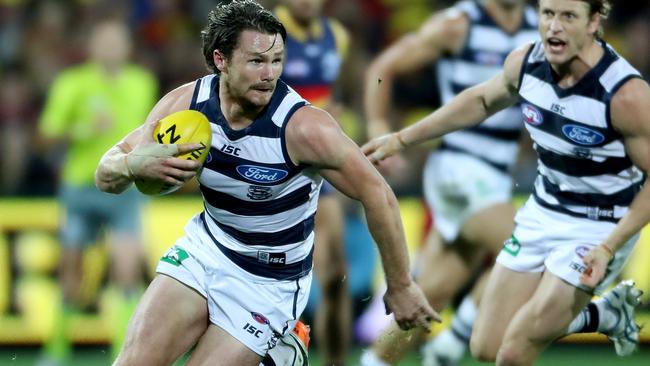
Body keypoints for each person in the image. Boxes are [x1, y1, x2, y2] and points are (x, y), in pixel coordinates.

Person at [94, 1, 438, 365]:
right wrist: (133, 164)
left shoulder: (304, 128)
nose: (269, 73)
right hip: (207, 252)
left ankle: (280, 347)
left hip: (269, 283)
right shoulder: (187, 106)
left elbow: (378, 194)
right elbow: (105, 173)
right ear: (221, 60)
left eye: (276, 60)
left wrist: (400, 285)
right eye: (256, 61)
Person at [362, 0, 646, 364]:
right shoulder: (505, 47)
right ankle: (598, 315)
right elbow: (480, 99)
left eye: (568, 16)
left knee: (497, 343)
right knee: (489, 337)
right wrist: (397, 137)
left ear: (594, 22)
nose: (554, 26)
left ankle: (380, 360)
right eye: (549, 14)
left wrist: (610, 246)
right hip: (492, 185)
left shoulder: (624, 92)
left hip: (594, 221)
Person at [360, 0, 539, 364]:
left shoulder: (540, 29)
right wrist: (380, 126)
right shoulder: (459, 23)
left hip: (497, 175)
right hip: (459, 169)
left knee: (433, 294)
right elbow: (383, 67)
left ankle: (374, 361)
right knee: (534, 253)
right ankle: (451, 345)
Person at [38, 20, 157, 365]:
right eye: (104, 42)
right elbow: (45, 136)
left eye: (116, 42)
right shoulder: (72, 83)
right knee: (71, 273)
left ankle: (125, 352)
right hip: (81, 188)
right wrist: (82, 129)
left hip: (125, 190)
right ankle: (56, 351)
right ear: (92, 47)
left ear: (127, 47)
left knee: (126, 271)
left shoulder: (142, 82)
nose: (110, 48)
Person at [275, 0, 352, 364]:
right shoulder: (268, 33)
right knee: (300, 275)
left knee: (335, 273)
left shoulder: (337, 36)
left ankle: (334, 360)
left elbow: (333, 96)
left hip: (320, 160)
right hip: (281, 162)